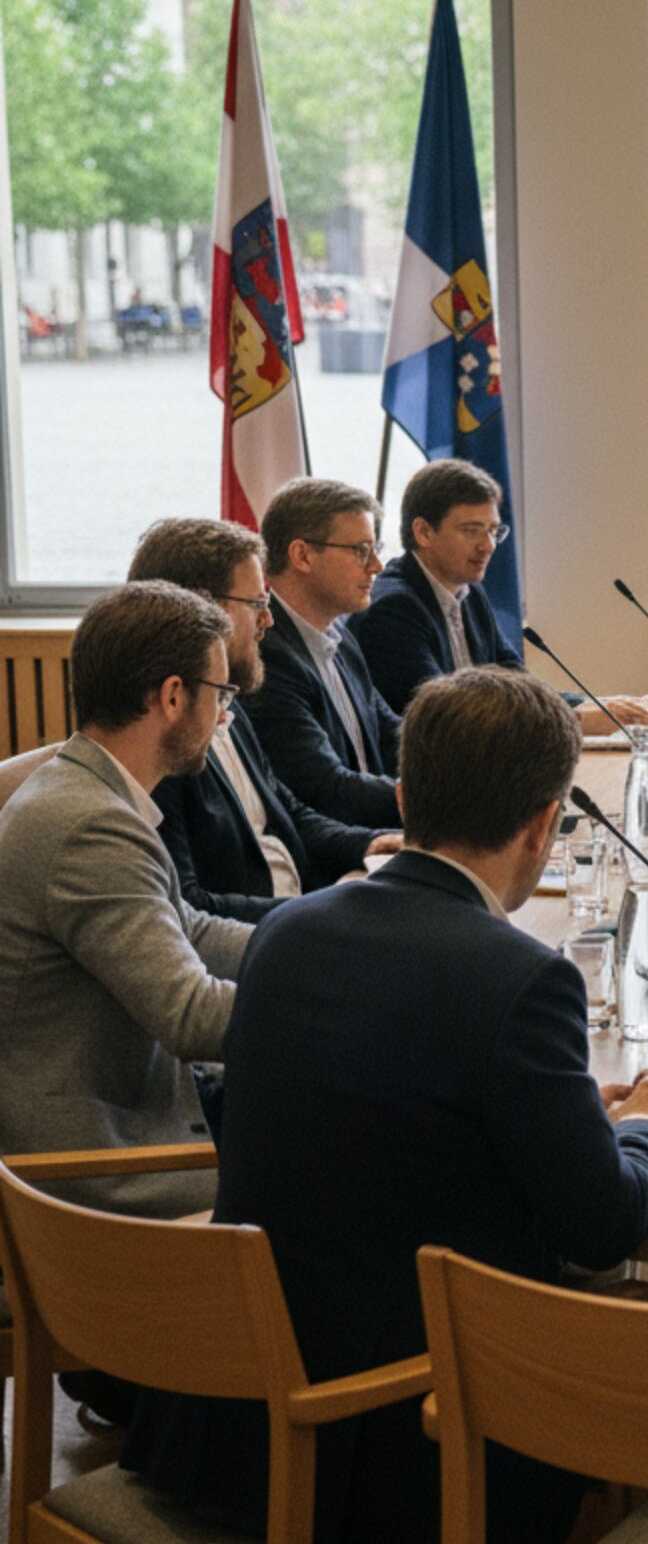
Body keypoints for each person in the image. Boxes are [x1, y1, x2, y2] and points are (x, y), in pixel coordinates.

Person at [122, 667, 648, 1544]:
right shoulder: (522, 980)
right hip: (413, 1450)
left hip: (234, 1422)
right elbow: (601, 1220)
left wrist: (567, 1116)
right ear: (544, 824)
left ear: (410, 791)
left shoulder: (289, 932)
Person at [0, 582, 249, 1220]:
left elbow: (187, 929)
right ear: (172, 696)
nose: (226, 716)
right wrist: (339, 999)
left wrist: (316, 942)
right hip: (95, 1169)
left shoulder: (89, 788)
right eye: (221, 695)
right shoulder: (88, 824)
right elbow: (191, 1017)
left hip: (132, 1104)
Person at [128, 517, 400, 923]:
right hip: (264, 942)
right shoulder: (161, 736)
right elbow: (188, 909)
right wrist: (313, 913)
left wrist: (370, 844)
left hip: (303, 910)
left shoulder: (230, 701)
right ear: (203, 609)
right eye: (257, 604)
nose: (268, 620)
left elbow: (290, 814)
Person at [351, 457, 648, 731]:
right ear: (424, 532)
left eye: (493, 530)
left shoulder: (469, 593)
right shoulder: (393, 610)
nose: (488, 546)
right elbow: (445, 718)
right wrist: (576, 719)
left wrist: (601, 706)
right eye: (472, 531)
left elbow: (517, 686)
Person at [243, 477, 404, 829]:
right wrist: (442, 797)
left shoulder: (340, 636)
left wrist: (467, 759)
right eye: (360, 550)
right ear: (302, 555)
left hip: (377, 835)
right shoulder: (268, 656)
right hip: (336, 856)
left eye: (376, 548)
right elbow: (325, 789)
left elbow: (391, 733)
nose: (376, 565)